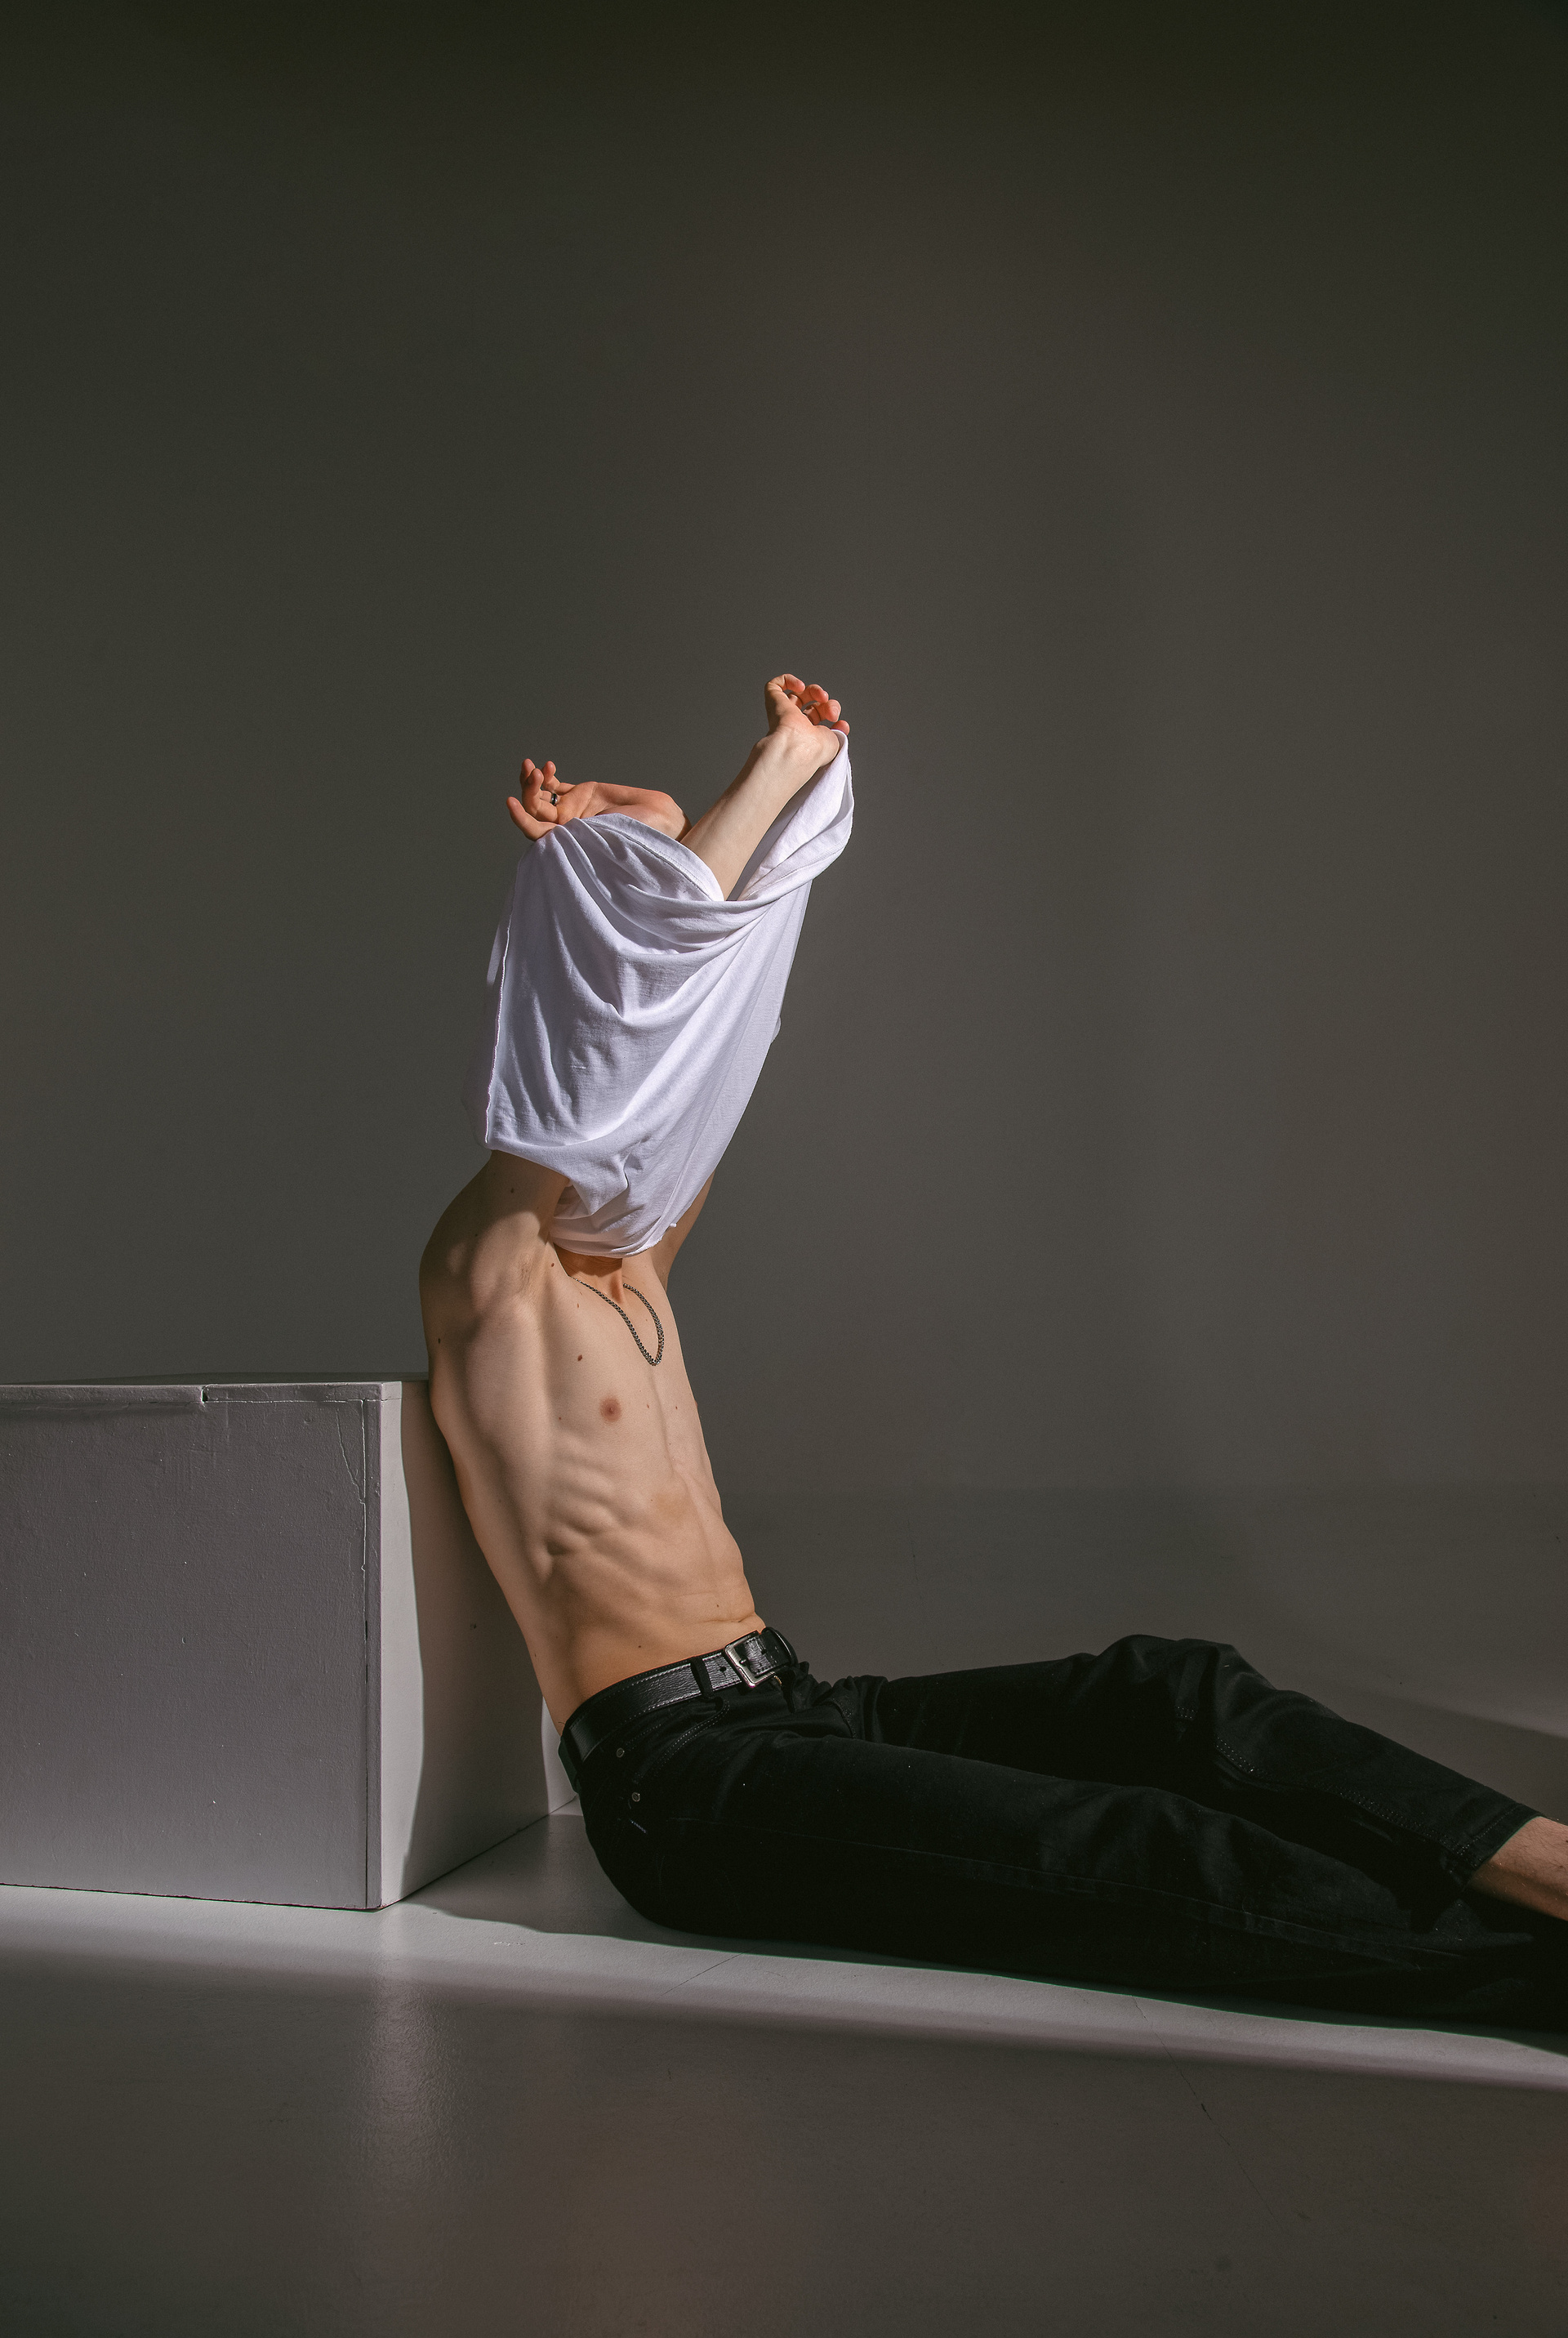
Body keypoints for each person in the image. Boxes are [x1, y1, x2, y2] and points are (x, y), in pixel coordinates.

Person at [421, 672, 1568, 2026]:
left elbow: (702, 1034)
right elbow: (622, 1034)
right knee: (1130, 1852)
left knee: (1173, 1695)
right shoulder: (489, 1278)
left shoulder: (637, 1275)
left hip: (796, 1702)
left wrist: (707, 802)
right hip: (685, 1786)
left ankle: (1544, 1862)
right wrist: (734, 800)